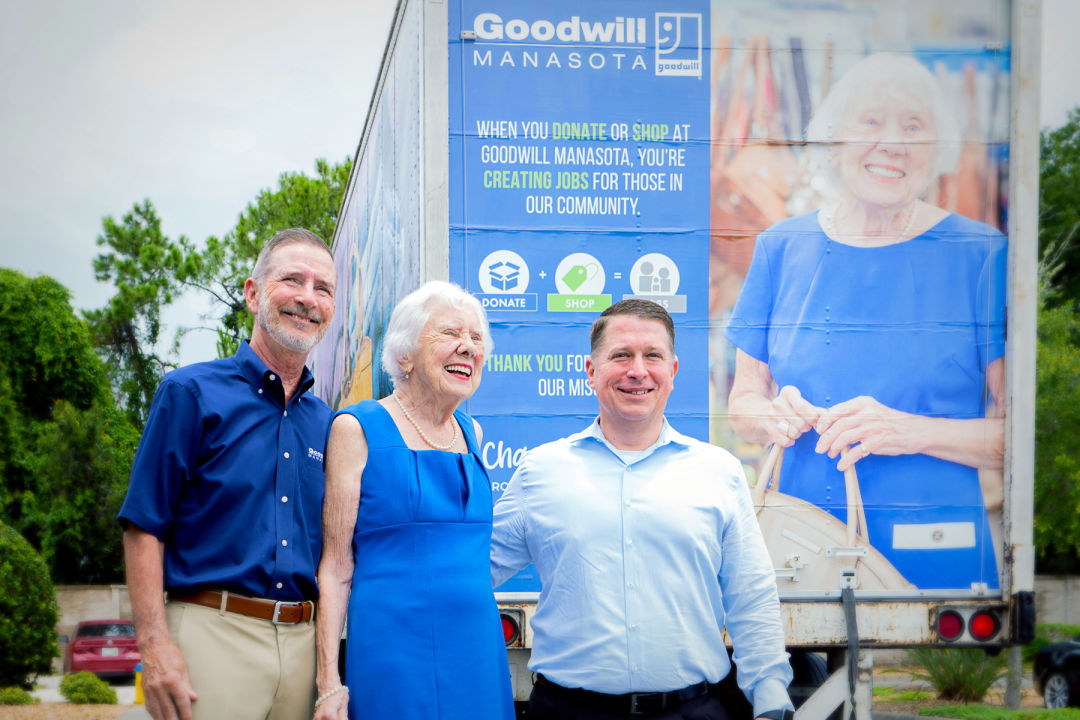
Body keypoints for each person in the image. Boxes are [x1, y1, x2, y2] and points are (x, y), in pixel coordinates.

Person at [725, 53, 1006, 590]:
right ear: (835, 140)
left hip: (934, 547)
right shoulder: (780, 247)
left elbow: (1016, 436)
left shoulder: (981, 255)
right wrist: (771, 419)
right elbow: (743, 402)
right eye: (871, 121)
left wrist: (909, 431)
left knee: (931, 678)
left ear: (937, 148)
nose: (892, 142)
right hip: (798, 543)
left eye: (914, 125)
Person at [491, 299, 794, 720]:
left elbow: (751, 594)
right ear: (591, 372)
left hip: (693, 710)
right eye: (621, 355)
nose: (638, 370)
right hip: (569, 712)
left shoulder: (718, 471)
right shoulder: (540, 472)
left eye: (652, 355)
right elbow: (474, 571)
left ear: (672, 371)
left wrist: (771, 696)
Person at [118, 228, 337, 720]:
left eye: (323, 288)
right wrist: (153, 648)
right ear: (253, 292)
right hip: (210, 634)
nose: (307, 298)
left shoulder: (328, 424)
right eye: (292, 281)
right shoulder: (188, 393)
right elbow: (143, 526)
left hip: (303, 644)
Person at [313, 281, 514, 720]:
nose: (468, 347)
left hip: (478, 650)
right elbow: (336, 566)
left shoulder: (473, 434)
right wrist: (329, 683)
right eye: (449, 334)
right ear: (404, 356)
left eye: (476, 338)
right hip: (393, 654)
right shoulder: (357, 428)